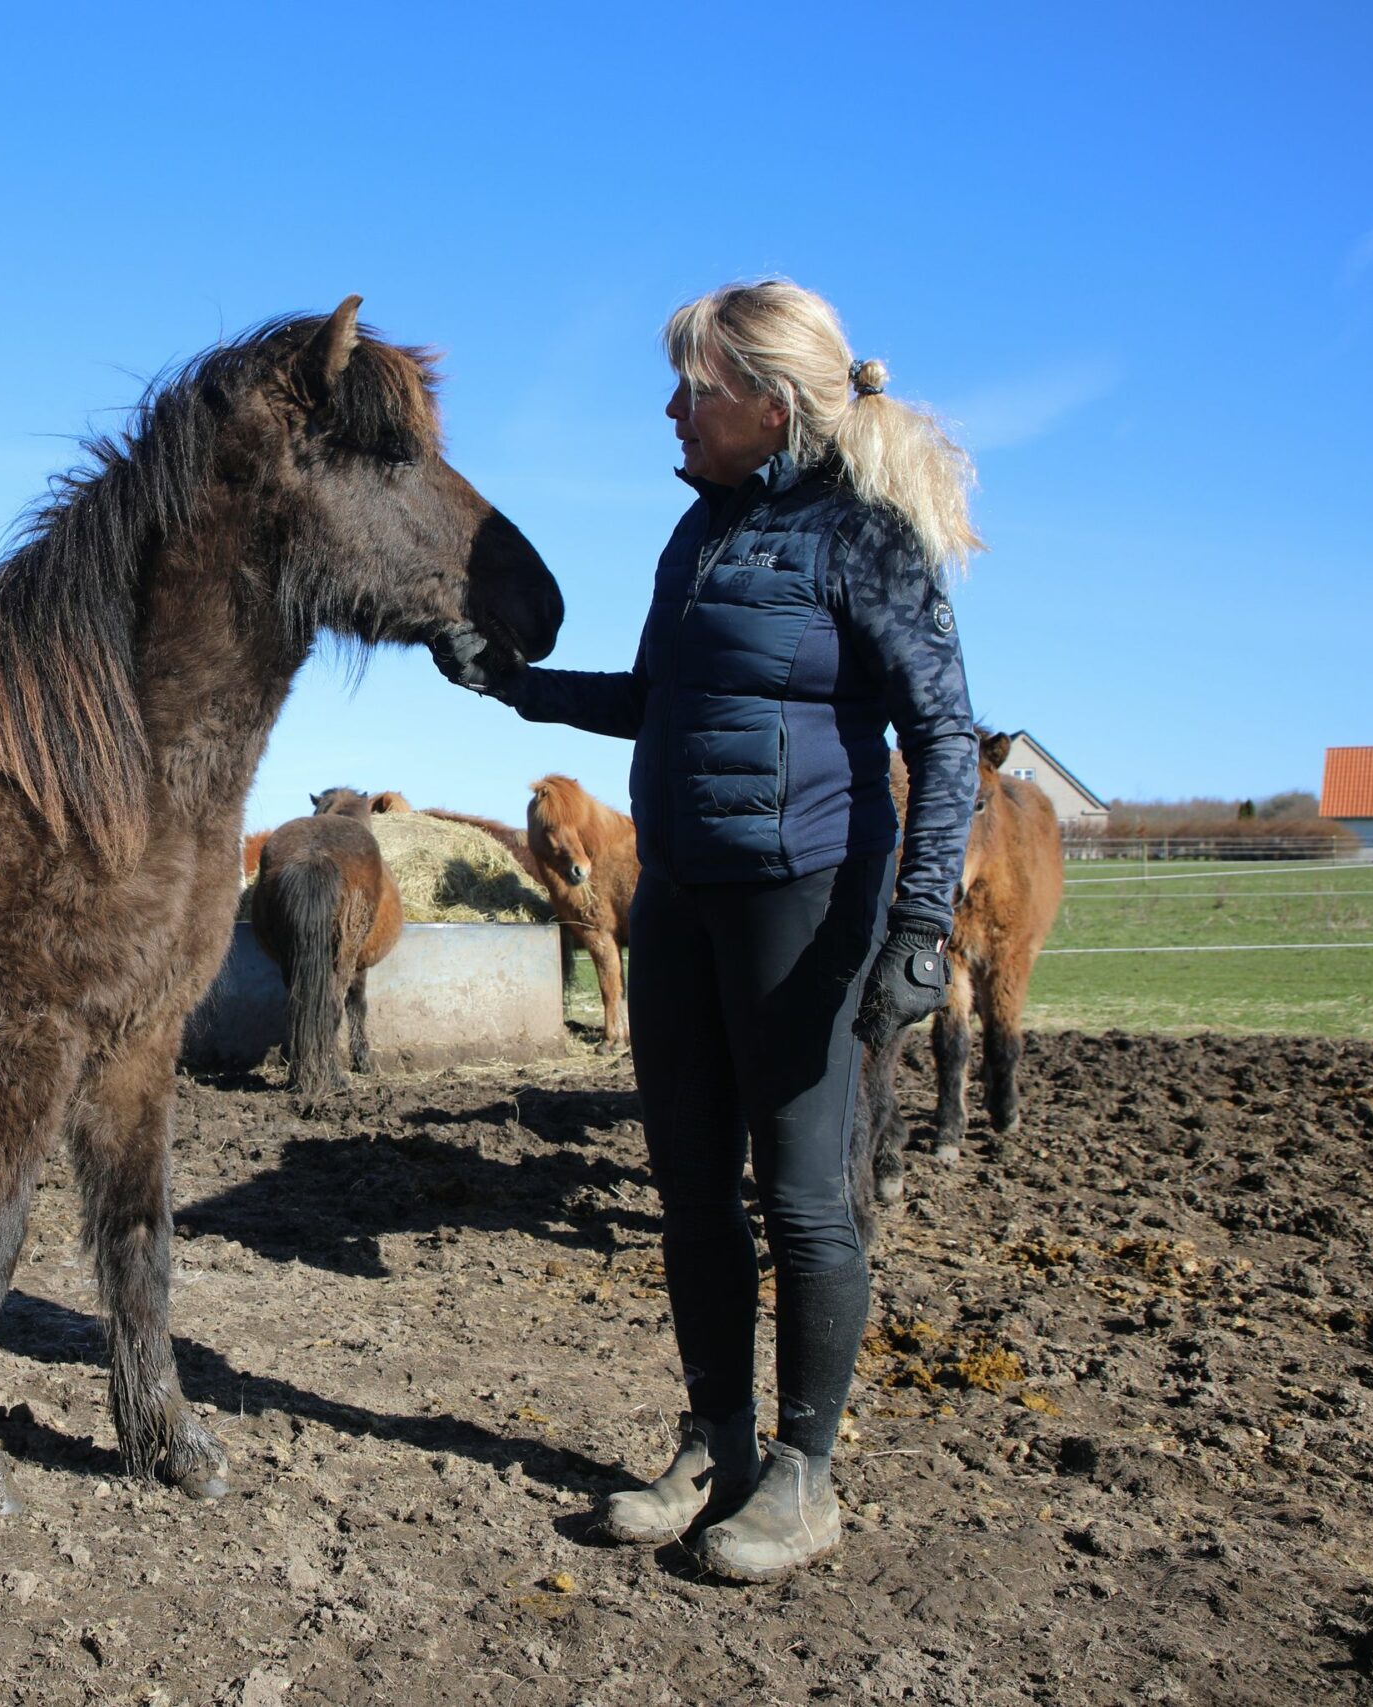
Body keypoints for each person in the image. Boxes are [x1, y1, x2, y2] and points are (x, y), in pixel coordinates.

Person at [434, 279, 979, 1582]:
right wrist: (521, 692)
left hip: (805, 897)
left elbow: (945, 737)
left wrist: (917, 922)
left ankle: (806, 1475)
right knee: (690, 1194)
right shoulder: (699, 536)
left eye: (696, 388)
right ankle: (717, 1444)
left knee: (802, 1201)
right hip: (675, 891)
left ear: (769, 403)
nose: (672, 409)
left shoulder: (867, 539)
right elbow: (664, 701)